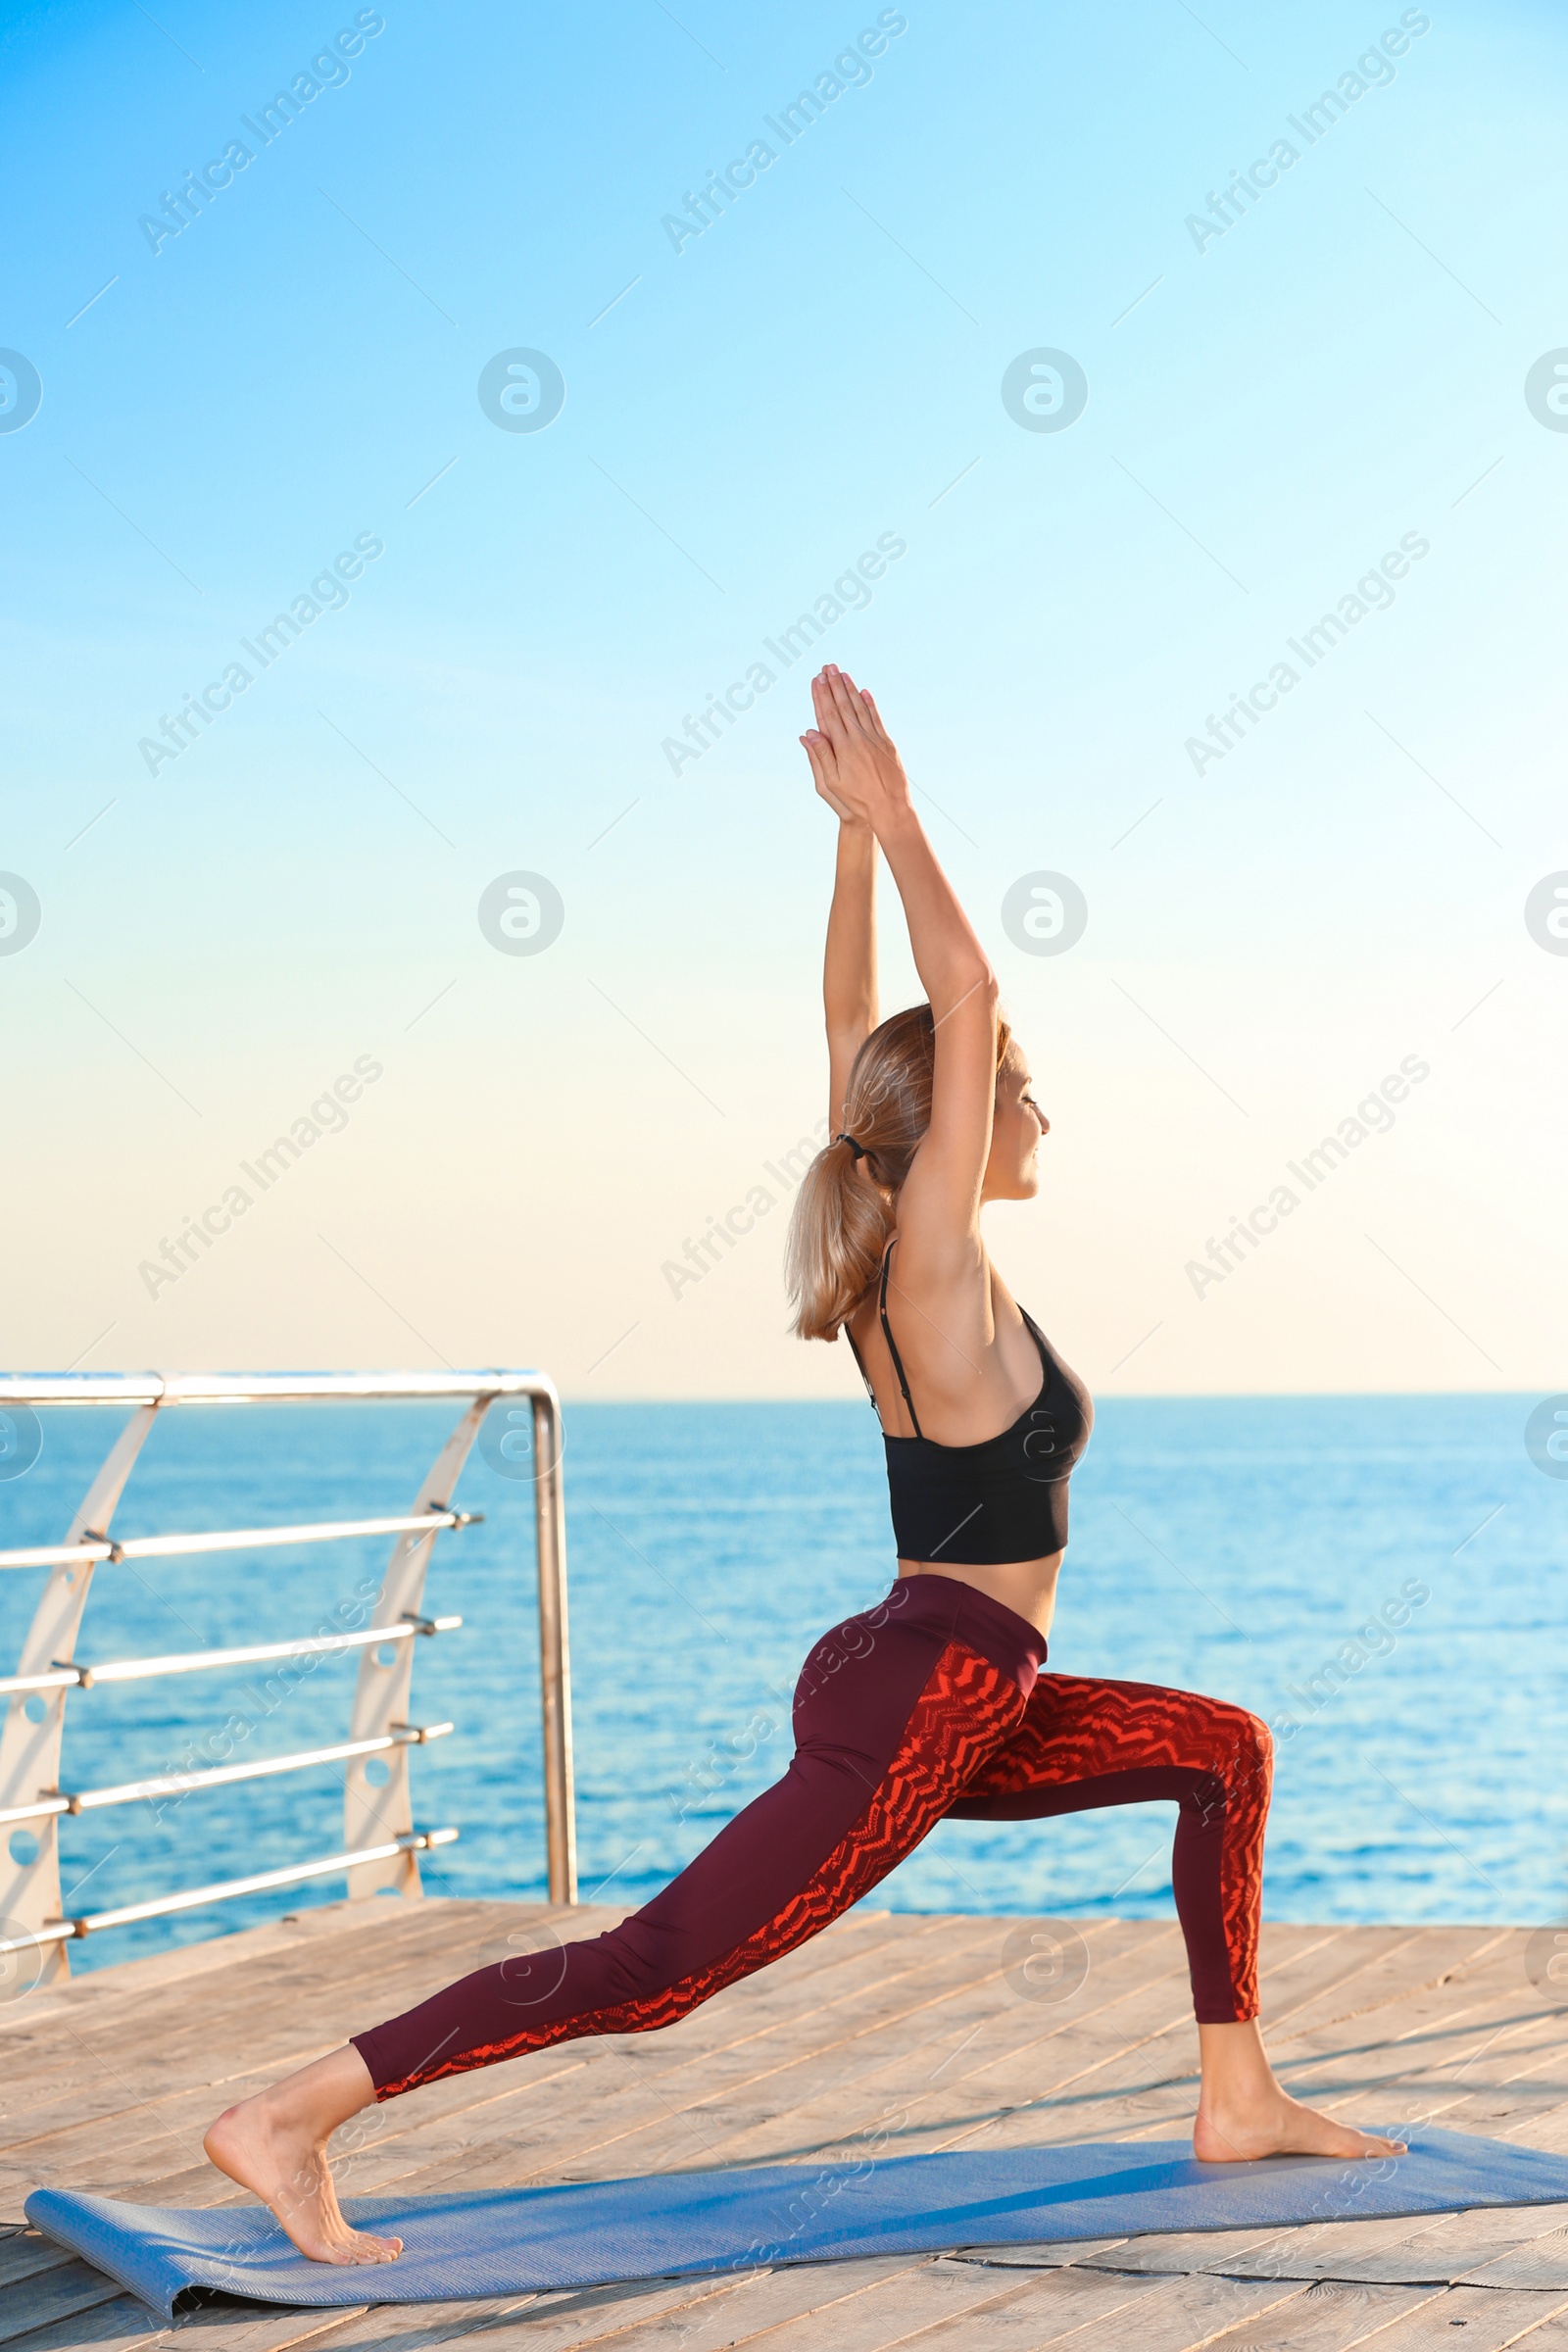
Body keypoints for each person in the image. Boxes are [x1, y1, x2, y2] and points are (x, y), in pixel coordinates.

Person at [205, 666, 1403, 2264]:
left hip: (953, 1682)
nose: (1033, 1106)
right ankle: (288, 2117)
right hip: (923, 1695)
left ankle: (1237, 2095)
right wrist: (901, 819)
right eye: (1013, 1093)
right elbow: (955, 1005)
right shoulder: (930, 1268)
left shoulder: (901, 1238)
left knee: (1225, 1752)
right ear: (959, 1137)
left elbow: (865, 1041)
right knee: (660, 1968)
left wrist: (843, 844)